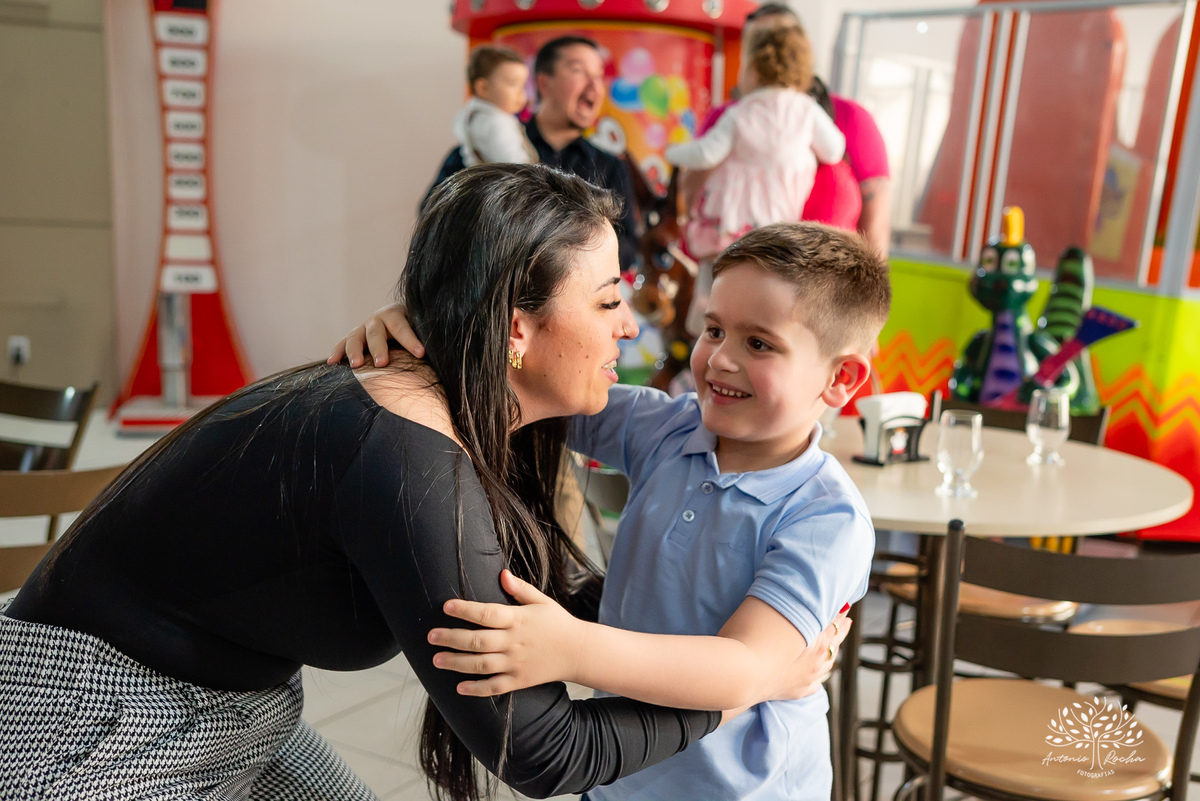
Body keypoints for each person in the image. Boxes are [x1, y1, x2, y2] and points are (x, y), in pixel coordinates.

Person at [2, 165, 846, 801]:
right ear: (519, 329)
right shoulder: (402, 455)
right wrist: (748, 687)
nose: (632, 325)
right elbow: (542, 748)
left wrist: (725, 653)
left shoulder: (447, 398)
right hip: (97, 725)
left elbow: (544, 599)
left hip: (234, 710)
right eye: (607, 301)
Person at [336, 221, 890, 801]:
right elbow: (544, 379)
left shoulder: (827, 519)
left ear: (841, 378)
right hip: (624, 775)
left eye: (759, 343)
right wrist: (424, 326)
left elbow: (743, 667)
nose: (719, 359)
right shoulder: (670, 428)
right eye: (714, 329)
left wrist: (570, 648)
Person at [689, 3, 892, 257]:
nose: (771, 52)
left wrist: (871, 291)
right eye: (759, 43)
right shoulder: (726, 118)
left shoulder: (851, 118)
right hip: (737, 267)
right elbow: (691, 199)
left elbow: (876, 227)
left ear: (804, 47)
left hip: (826, 285)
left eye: (781, 39)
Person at [426, 36, 640, 271]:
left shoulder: (609, 166)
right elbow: (433, 219)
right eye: (579, 71)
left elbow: (627, 248)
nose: (595, 86)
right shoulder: (486, 146)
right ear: (543, 83)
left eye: (599, 75)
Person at [666, 25, 845, 259]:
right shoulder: (807, 110)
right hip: (781, 225)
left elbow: (707, 153)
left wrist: (673, 152)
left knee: (715, 276)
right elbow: (833, 150)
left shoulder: (741, 113)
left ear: (754, 71)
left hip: (732, 226)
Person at [454, 45, 537, 166]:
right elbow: (514, 165)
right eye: (513, 83)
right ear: (483, 88)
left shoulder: (469, 116)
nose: (521, 92)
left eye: (523, 85)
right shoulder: (497, 122)